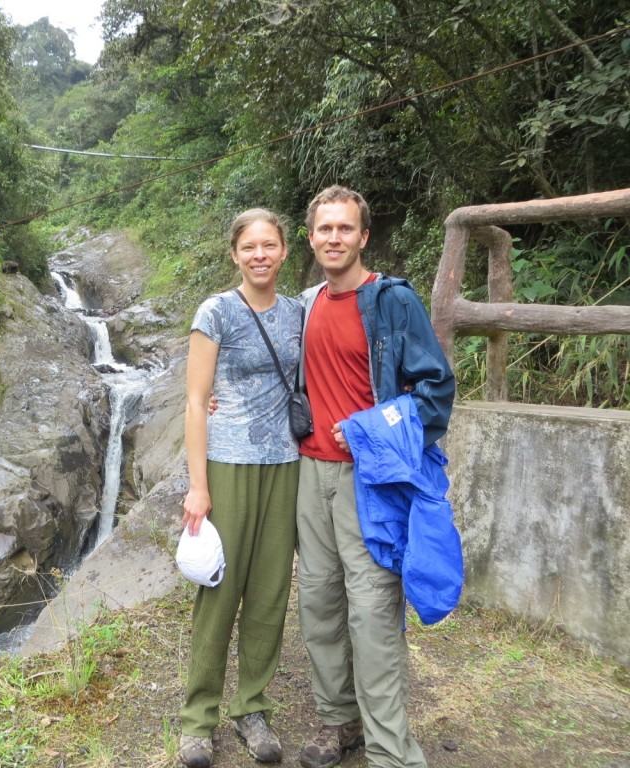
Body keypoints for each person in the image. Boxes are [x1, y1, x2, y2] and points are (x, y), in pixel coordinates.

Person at [294, 185, 455, 768]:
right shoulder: (308, 302)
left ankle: (391, 751)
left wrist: (369, 427)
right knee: (318, 601)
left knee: (371, 613)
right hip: (310, 475)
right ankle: (339, 722)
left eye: (344, 229)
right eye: (324, 229)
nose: (333, 238)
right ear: (310, 238)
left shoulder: (390, 300)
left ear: (363, 236)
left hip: (371, 482)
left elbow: (436, 391)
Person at [179, 208, 304, 768]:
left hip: (285, 464)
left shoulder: (298, 310)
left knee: (271, 594)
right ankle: (198, 719)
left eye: (269, 245)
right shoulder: (217, 312)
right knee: (220, 593)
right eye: (249, 246)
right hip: (227, 464)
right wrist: (197, 487)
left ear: (283, 251)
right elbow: (194, 400)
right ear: (235, 253)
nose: (260, 255)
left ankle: (252, 707)